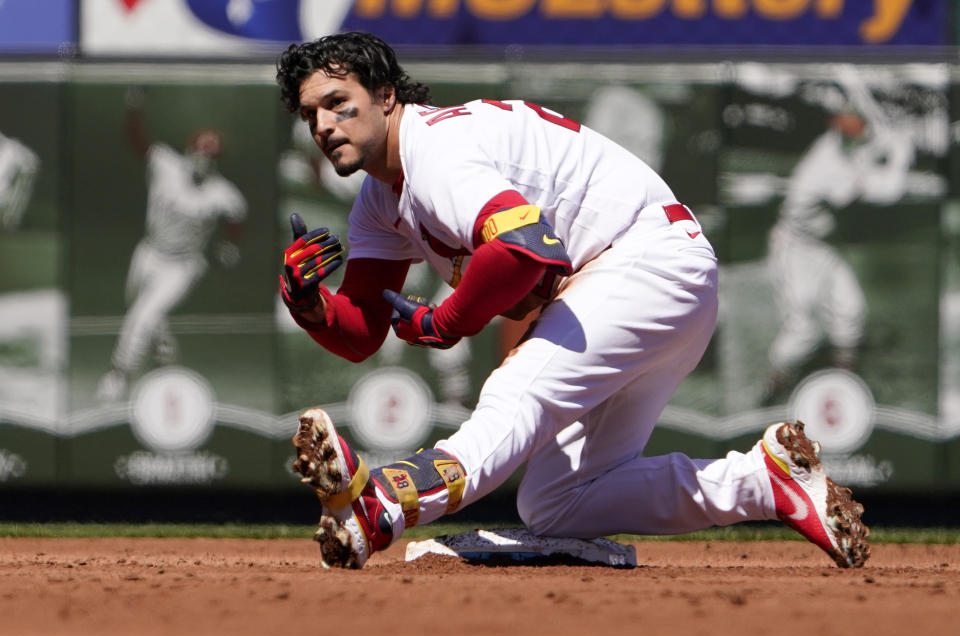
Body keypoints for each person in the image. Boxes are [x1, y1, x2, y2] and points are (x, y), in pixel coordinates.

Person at [275, 32, 869, 569]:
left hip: (643, 260)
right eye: (310, 115)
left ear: (385, 95)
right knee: (559, 502)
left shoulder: (435, 151)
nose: (323, 125)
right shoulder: (382, 199)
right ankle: (765, 483)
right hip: (653, 279)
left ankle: (381, 507)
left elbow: (525, 248)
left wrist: (445, 319)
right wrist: (309, 303)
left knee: (514, 394)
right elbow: (360, 333)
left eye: (337, 102)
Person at [763, 72, 914, 402]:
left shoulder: (845, 141)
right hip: (795, 248)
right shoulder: (827, 163)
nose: (857, 127)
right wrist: (901, 157)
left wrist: (870, 109)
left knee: (850, 308)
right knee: (802, 330)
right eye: (847, 121)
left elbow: (870, 125)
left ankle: (847, 385)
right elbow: (888, 192)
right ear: (837, 125)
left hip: (824, 246)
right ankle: (773, 387)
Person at [96, 88, 248, 402]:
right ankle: (165, 349)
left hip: (182, 265)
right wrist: (134, 110)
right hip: (148, 252)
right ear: (189, 150)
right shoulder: (166, 163)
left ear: (217, 161)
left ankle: (118, 376)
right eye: (200, 152)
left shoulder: (222, 192)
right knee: (140, 309)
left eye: (211, 157)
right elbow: (136, 140)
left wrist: (229, 245)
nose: (203, 161)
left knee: (141, 317)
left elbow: (238, 216)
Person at [0, 130, 39, 231]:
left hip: (5, 199)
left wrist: (14, 211)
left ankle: (12, 218)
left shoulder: (12, 149)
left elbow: (32, 163)